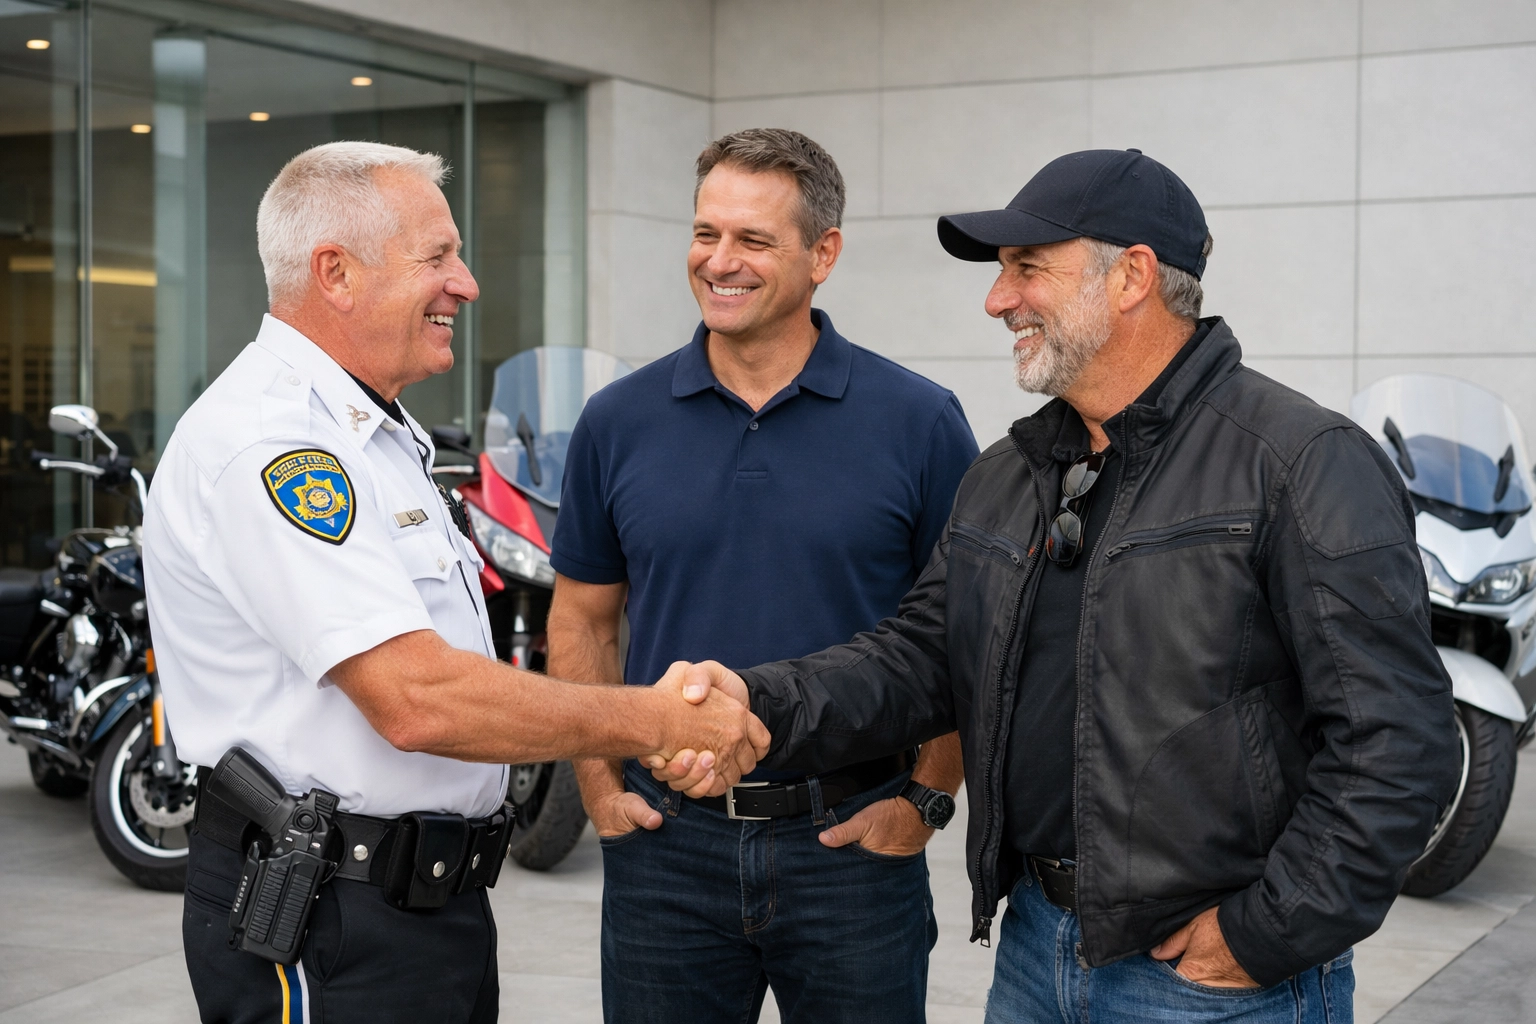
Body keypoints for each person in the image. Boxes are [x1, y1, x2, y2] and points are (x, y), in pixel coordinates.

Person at [656, 149, 1461, 1023]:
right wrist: (756, 699)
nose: (998, 300)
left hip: (1210, 980)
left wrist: (1267, 934)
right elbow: (921, 659)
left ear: (1134, 279)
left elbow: (1400, 743)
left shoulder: (1300, 462)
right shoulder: (1010, 473)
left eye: (1028, 269)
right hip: (1037, 952)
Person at [141, 141, 767, 1024]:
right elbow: (416, 699)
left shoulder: (377, 434)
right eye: (437, 256)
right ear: (336, 273)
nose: (466, 283)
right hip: (327, 919)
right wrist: (655, 719)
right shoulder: (275, 447)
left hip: (421, 908)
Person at [547, 128, 978, 1024]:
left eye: (752, 239)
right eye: (706, 234)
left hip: (852, 845)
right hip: (668, 849)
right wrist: (599, 789)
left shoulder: (920, 421)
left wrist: (925, 801)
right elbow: (583, 619)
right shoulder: (617, 421)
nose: (719, 261)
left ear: (824, 254)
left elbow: (968, 633)